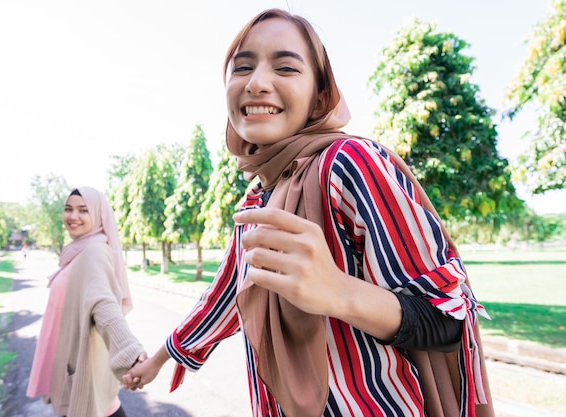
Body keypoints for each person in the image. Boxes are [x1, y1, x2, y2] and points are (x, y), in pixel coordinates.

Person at [124, 8, 494, 417]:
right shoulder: (258, 196)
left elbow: (447, 317)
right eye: (242, 67)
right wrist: (159, 359)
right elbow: (226, 293)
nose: (257, 83)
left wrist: (339, 292)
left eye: (285, 67)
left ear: (320, 95)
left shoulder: (349, 162)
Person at [27, 186, 146, 417]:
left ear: (98, 215)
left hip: (83, 371)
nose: (73, 216)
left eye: (83, 210)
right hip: (69, 363)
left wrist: (130, 352)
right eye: (68, 209)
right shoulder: (78, 251)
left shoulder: (93, 252)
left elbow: (104, 305)